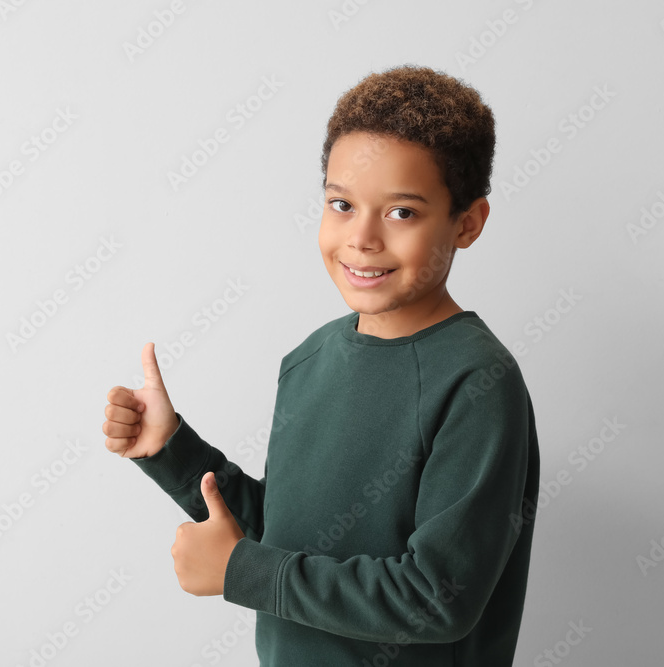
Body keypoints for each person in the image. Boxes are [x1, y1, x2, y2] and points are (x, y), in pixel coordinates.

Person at [103, 63, 540, 666]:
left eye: (402, 212)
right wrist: (170, 449)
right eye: (341, 204)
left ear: (467, 223)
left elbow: (438, 599)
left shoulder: (477, 383)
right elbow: (289, 540)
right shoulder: (307, 362)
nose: (361, 237)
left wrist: (243, 572)